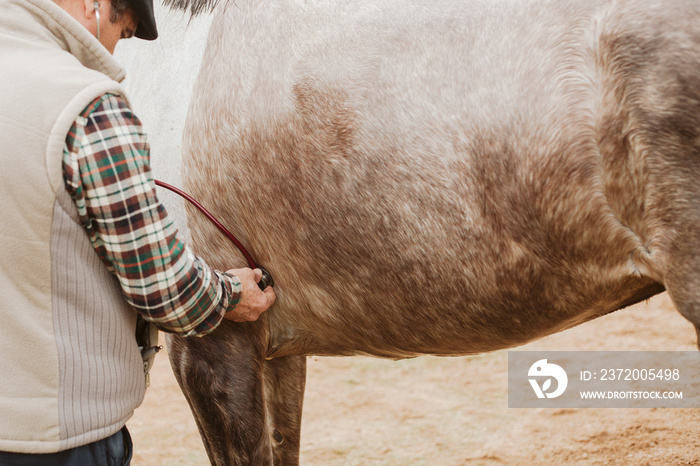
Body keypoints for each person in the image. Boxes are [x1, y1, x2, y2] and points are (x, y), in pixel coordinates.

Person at [0, 0, 276, 463]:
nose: (115, 52)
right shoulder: (88, 107)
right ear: (95, 5)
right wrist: (231, 294)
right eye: (124, 34)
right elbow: (162, 285)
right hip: (61, 436)